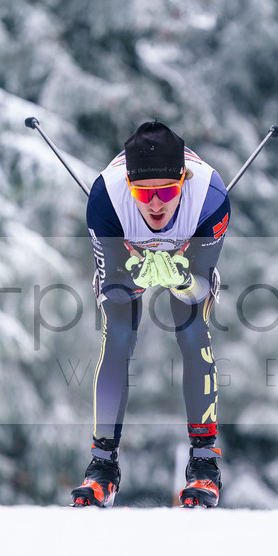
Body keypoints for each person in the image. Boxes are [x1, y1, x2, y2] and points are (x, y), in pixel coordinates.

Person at [71, 121, 230, 508]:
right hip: (124, 251)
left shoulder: (210, 197)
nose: (155, 204)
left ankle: (205, 466)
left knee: (192, 330)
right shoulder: (105, 199)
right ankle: (102, 467)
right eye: (143, 193)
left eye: (166, 191)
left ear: (183, 179)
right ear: (128, 185)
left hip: (189, 248)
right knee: (119, 336)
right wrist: (134, 278)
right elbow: (112, 292)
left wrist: (182, 280)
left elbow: (201, 290)